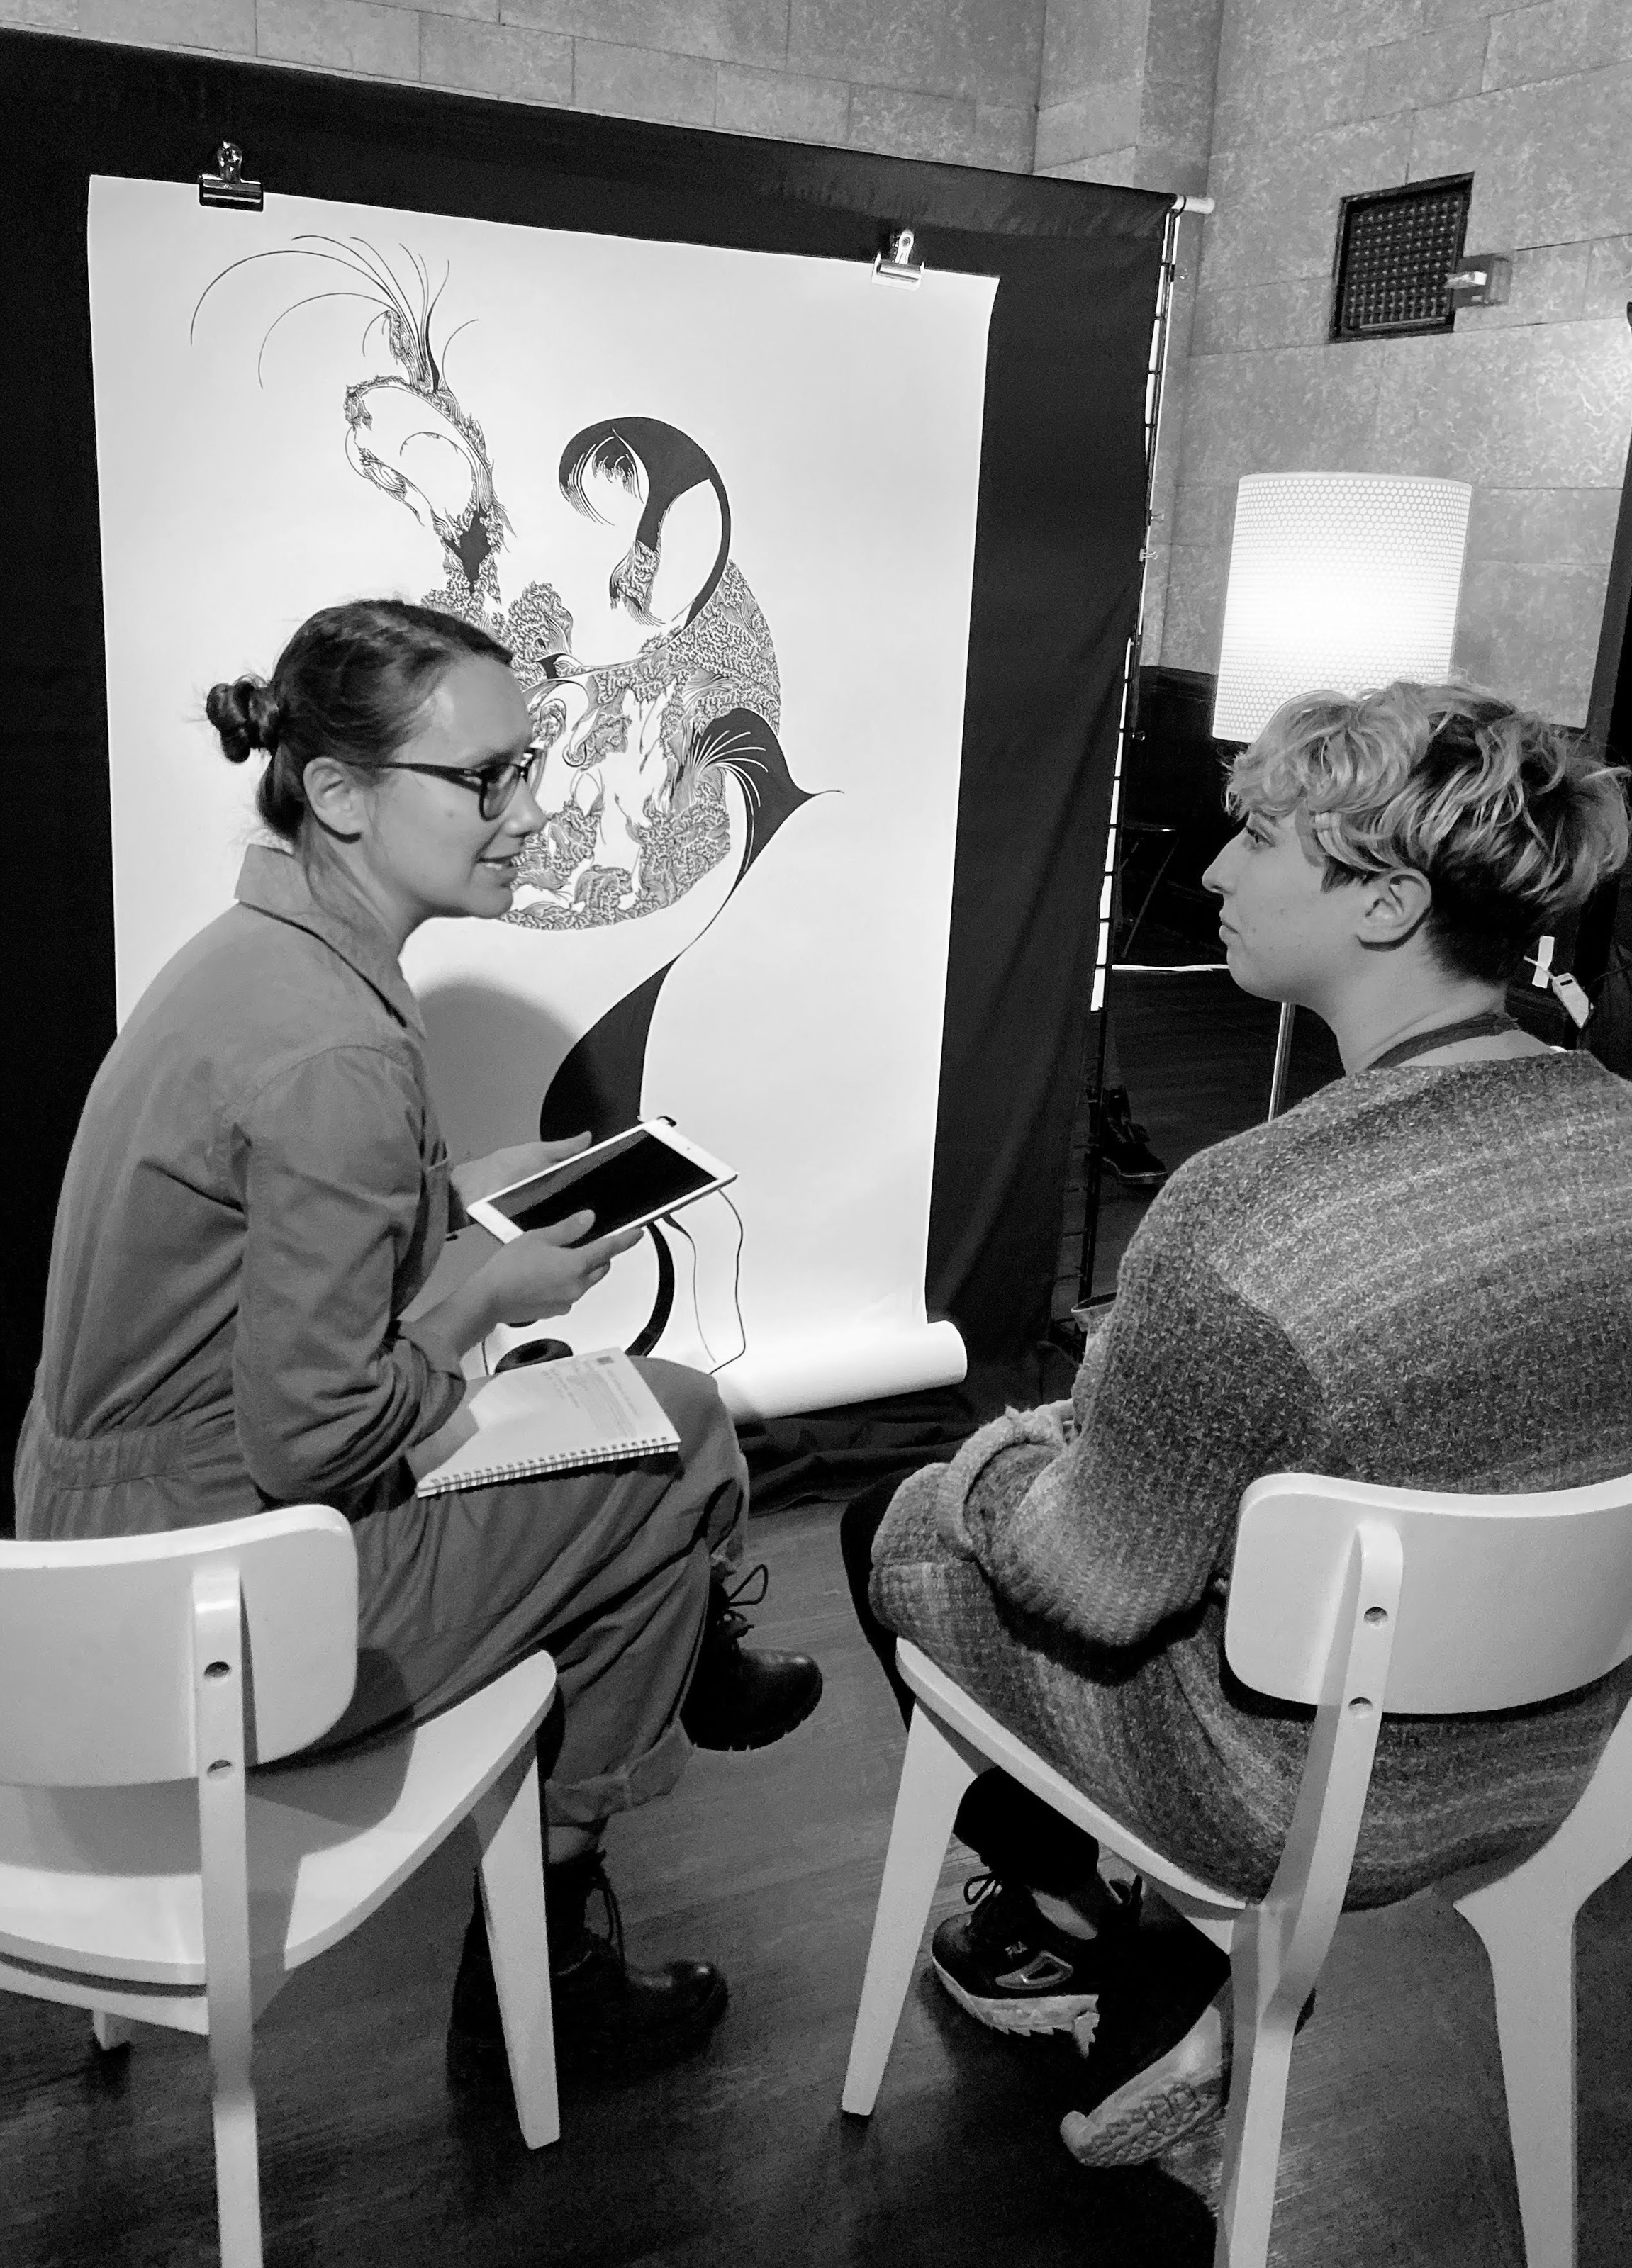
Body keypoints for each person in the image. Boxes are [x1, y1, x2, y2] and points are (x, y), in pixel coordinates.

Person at [14, 597, 821, 2082]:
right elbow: (313, 1435)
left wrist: (452, 1207)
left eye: (530, 768)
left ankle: (673, 1641)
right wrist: (477, 1294)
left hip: (95, 1554)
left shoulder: (255, 965)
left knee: (631, 1446)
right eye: (487, 780)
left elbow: (272, 1257)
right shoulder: (332, 1046)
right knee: (683, 1431)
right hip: (208, 1617)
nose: (533, 811)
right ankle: (561, 1936)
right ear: (337, 794)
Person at [846, 680, 1632, 2165]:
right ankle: (1133, 1947)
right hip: (1555, 1767)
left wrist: (996, 1462)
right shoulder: (1614, 1131)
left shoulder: (1240, 1216)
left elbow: (1092, 1579)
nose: (1210, 871)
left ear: (1387, 900)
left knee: (886, 1525)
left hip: (1294, 1802)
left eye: (1258, 836)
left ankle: (1087, 1925)